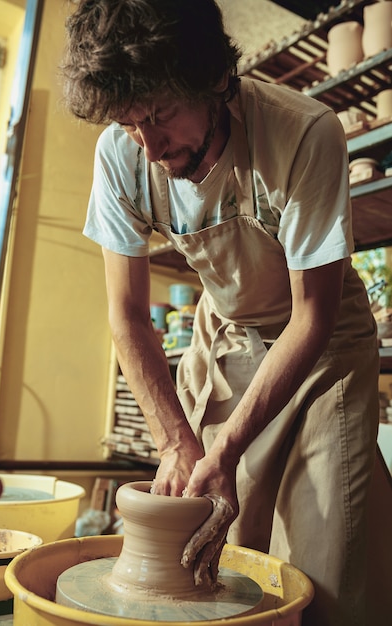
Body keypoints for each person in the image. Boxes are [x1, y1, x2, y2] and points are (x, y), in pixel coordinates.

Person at [62, 1, 392, 624]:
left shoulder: (304, 132)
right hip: (229, 336)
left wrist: (230, 445)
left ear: (214, 78)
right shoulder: (122, 154)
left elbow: (312, 315)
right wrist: (176, 444)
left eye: (161, 116)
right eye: (132, 123)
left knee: (327, 562)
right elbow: (129, 314)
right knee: (220, 539)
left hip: (325, 346)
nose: (150, 145)